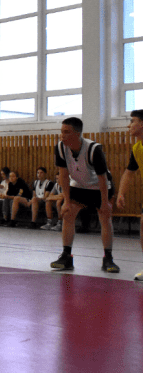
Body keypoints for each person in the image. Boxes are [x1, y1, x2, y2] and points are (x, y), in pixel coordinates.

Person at [50, 117, 119, 273]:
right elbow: (63, 175)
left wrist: (105, 203)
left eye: (66, 132)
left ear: (77, 133)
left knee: (105, 218)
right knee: (68, 214)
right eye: (61, 131)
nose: (62, 135)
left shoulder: (94, 149)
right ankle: (66, 256)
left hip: (100, 187)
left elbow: (103, 178)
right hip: (79, 186)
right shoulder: (60, 148)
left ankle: (108, 258)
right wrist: (66, 201)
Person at [116, 110, 143, 280]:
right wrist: (121, 193)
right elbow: (129, 172)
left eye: (132, 121)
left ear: (142, 124)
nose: (129, 125)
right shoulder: (137, 148)